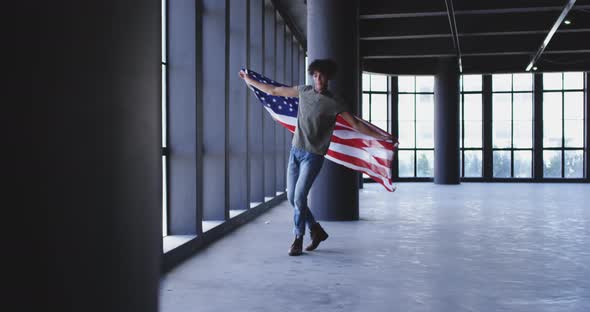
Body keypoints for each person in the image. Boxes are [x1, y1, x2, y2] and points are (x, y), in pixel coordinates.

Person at [239, 59, 392, 256]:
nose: (318, 78)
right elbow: (274, 91)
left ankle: (297, 238)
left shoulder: (335, 102)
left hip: (313, 156)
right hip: (295, 152)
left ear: (328, 77)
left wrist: (382, 137)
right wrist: (249, 80)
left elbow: (355, 125)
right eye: (315, 75)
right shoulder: (304, 91)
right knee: (293, 199)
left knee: (299, 197)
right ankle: (316, 230)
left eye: (322, 75)